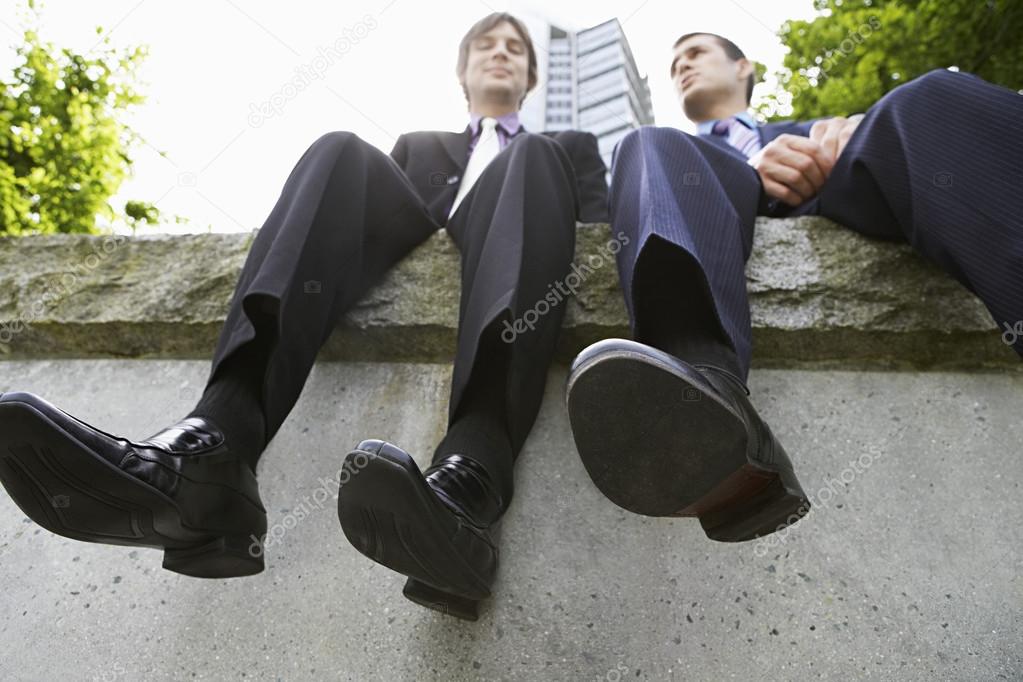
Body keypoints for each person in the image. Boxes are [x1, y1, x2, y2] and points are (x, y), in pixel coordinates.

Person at [0, 12, 606, 622]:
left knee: (533, 152)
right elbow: (373, 213)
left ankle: (469, 483)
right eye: (486, 45)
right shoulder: (423, 148)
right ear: (462, 70)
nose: (500, 54)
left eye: (514, 49)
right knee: (338, 148)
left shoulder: (566, 149)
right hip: (425, 223)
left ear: (530, 76)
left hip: (514, 223)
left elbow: (597, 234)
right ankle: (214, 449)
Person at [565, 32, 1022, 544]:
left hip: (838, 184)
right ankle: (708, 397)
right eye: (673, 65)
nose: (682, 67)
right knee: (648, 142)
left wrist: (846, 130)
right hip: (715, 197)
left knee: (931, 95)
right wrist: (753, 173)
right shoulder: (673, 159)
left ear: (744, 67)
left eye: (694, 54)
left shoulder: (815, 129)